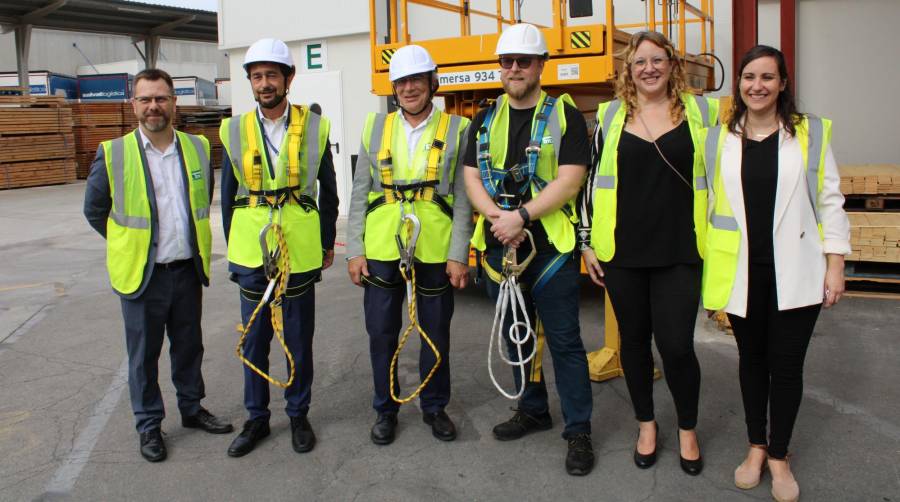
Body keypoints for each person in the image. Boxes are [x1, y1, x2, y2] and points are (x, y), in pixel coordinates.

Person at [702, 45, 849, 502]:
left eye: (768, 77)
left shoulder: (809, 133)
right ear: (739, 83)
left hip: (798, 270)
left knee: (786, 368)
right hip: (742, 270)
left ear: (783, 83)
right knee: (752, 363)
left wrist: (836, 263)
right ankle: (756, 447)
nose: (756, 86)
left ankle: (780, 457)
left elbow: (830, 200)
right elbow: (706, 205)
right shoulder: (719, 139)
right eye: (748, 77)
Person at [578, 31, 719, 475]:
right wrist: (586, 242)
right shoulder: (611, 115)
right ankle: (646, 425)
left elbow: (723, 178)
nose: (648, 69)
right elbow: (589, 182)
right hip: (623, 252)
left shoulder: (700, 112)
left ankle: (688, 429)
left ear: (672, 65)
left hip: (680, 249)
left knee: (677, 346)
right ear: (629, 69)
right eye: (639, 62)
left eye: (657, 60)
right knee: (634, 346)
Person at [463, 23, 595, 476]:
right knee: (516, 334)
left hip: (549, 247)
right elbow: (472, 179)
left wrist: (522, 217)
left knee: (564, 342)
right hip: (502, 247)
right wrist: (500, 220)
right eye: (507, 62)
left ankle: (579, 430)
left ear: (541, 66)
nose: (514, 69)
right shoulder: (485, 117)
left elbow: (570, 178)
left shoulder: (564, 114)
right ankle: (533, 408)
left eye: (523, 62)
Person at [84, 68, 233, 463]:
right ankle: (149, 424)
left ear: (174, 103)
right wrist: (133, 246)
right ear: (133, 105)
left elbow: (202, 201)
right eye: (146, 99)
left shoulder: (198, 148)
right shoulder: (114, 153)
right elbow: (95, 210)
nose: (154, 106)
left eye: (161, 98)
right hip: (143, 276)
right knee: (143, 355)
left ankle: (192, 409)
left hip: (186, 269)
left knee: (189, 347)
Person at [347, 45, 472, 445]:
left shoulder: (458, 129)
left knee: (435, 332)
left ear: (433, 83)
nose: (409, 88)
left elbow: (465, 197)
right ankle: (385, 409)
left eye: (417, 80)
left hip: (435, 248)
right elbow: (359, 192)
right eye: (402, 81)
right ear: (394, 87)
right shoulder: (374, 128)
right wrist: (355, 249)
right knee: (382, 332)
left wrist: (458, 253)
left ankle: (435, 407)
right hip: (383, 247)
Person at [219, 38, 339, 457]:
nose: (264, 83)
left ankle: (298, 413)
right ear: (250, 82)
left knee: (299, 338)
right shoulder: (233, 128)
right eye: (257, 76)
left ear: (288, 78)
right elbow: (227, 195)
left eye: (272, 75)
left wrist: (326, 243)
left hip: (300, 250)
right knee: (254, 339)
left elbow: (329, 190)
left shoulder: (316, 126)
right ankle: (256, 419)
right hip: (253, 253)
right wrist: (235, 253)